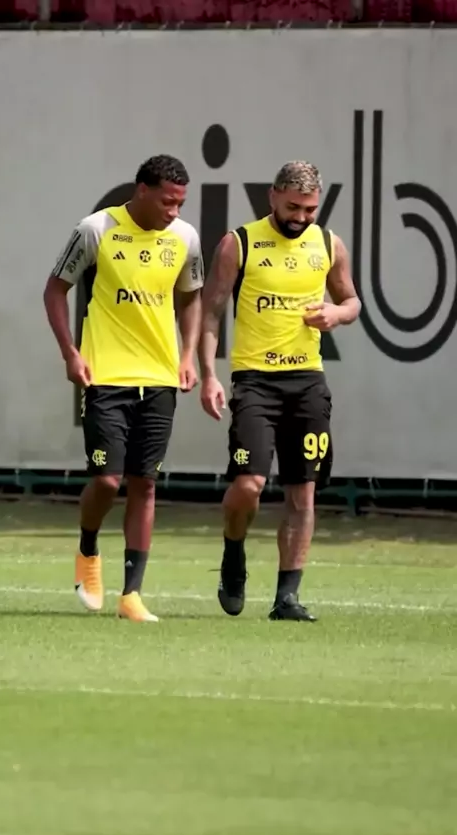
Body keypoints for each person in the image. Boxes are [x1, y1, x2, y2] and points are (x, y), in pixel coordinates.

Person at [199, 160, 361, 622]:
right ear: (272, 196)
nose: (301, 217)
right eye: (293, 207)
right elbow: (211, 312)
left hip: (308, 381)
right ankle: (233, 551)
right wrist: (208, 374)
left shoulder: (328, 244)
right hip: (255, 382)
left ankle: (286, 597)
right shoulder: (239, 243)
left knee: (303, 493)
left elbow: (352, 301)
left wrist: (337, 314)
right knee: (248, 484)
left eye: (310, 209)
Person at [44, 155, 203, 623]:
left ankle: (131, 595)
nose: (174, 211)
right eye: (167, 201)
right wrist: (70, 353)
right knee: (107, 480)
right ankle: (88, 547)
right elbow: (55, 290)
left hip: (160, 378)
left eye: (180, 203)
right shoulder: (96, 229)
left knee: (145, 483)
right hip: (106, 376)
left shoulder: (185, 238)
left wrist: (188, 355)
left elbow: (190, 298)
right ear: (142, 191)